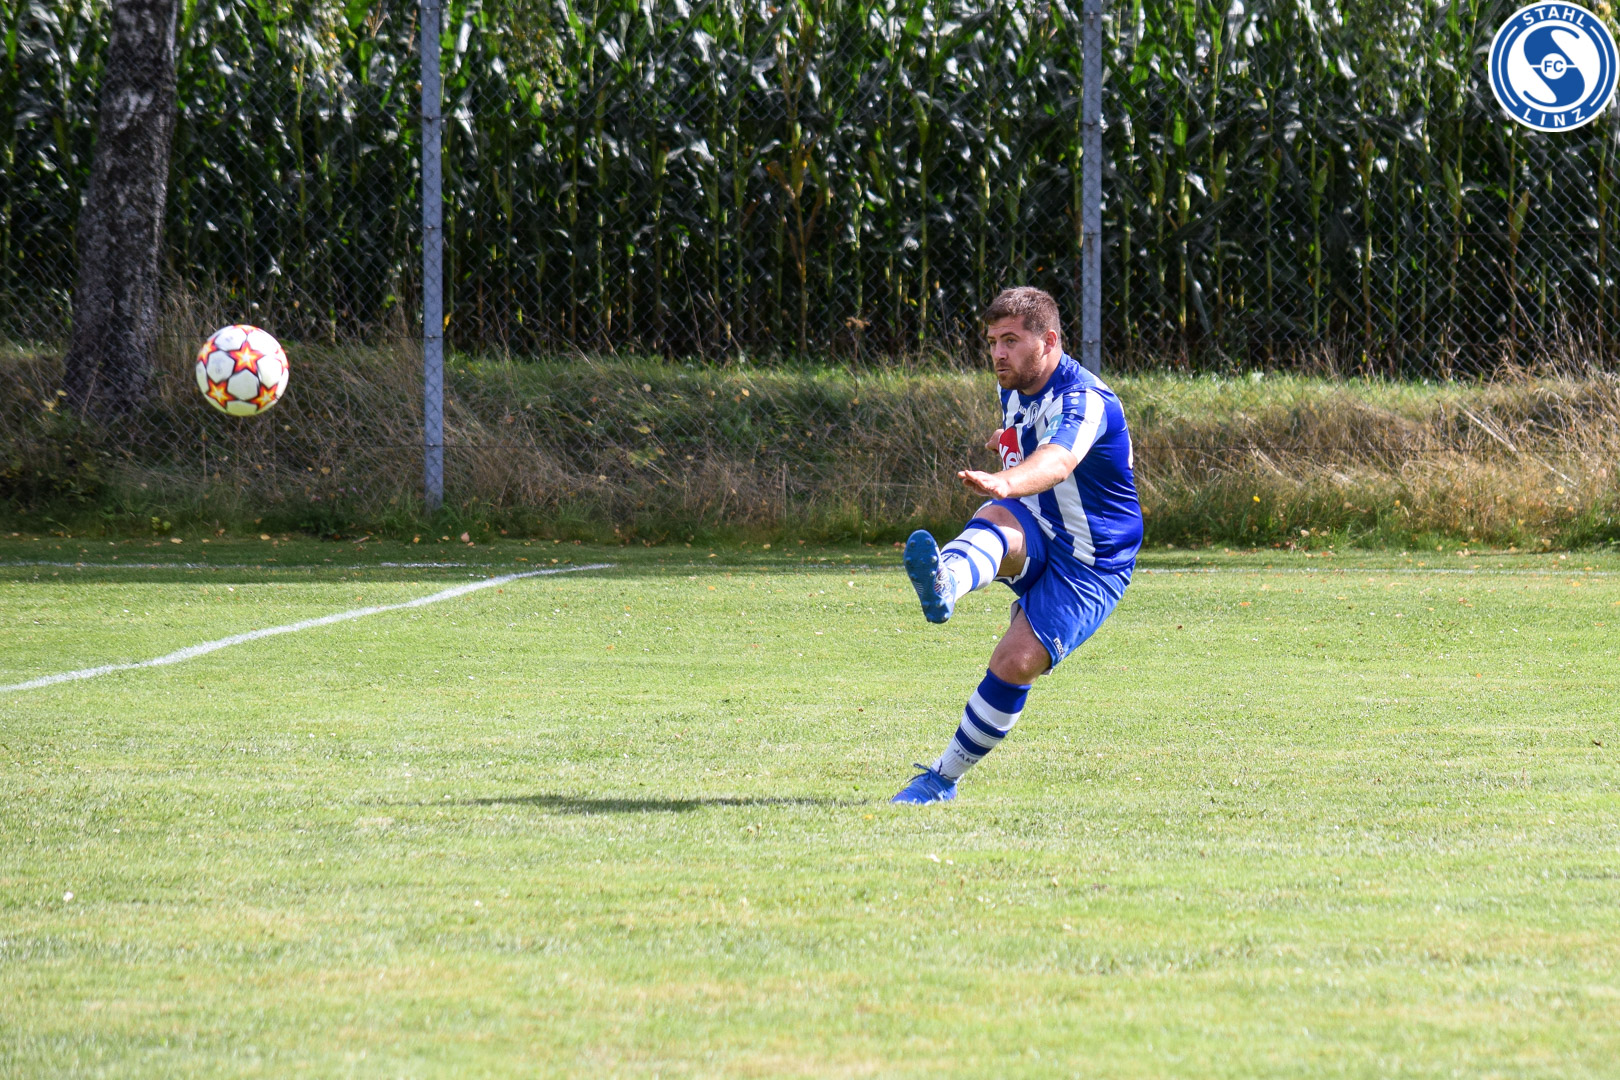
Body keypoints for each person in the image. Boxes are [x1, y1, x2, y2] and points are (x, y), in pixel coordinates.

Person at [892, 286, 1143, 804]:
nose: (997, 354)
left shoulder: (1086, 401)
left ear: (1048, 341)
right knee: (1000, 519)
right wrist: (1005, 443)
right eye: (992, 342)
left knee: (1016, 661)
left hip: (1092, 562)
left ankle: (941, 778)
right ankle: (946, 582)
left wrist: (1006, 479)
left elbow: (1059, 459)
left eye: (1010, 340)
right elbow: (1027, 433)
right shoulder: (1015, 386)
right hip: (1039, 523)